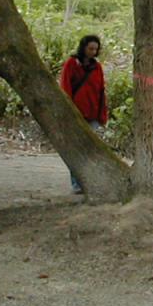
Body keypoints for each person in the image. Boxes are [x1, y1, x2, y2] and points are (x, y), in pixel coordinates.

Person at [59, 35, 108, 194]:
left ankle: (90, 181)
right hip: (76, 114)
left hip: (93, 115)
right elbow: (65, 88)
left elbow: (101, 91)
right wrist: (69, 113)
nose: (93, 52)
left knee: (91, 150)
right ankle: (77, 183)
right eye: (90, 49)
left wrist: (102, 115)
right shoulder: (72, 64)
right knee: (76, 150)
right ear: (83, 48)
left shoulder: (97, 67)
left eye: (95, 49)